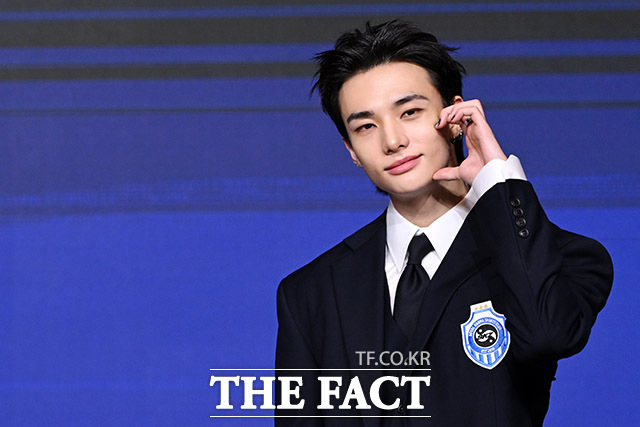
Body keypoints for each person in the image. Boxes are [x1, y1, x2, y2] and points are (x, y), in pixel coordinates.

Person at [275, 20, 613, 426]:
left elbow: (547, 336)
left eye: (410, 112)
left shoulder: (562, 256)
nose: (392, 141)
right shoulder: (310, 293)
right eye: (365, 126)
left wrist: (498, 180)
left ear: (454, 117)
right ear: (351, 150)